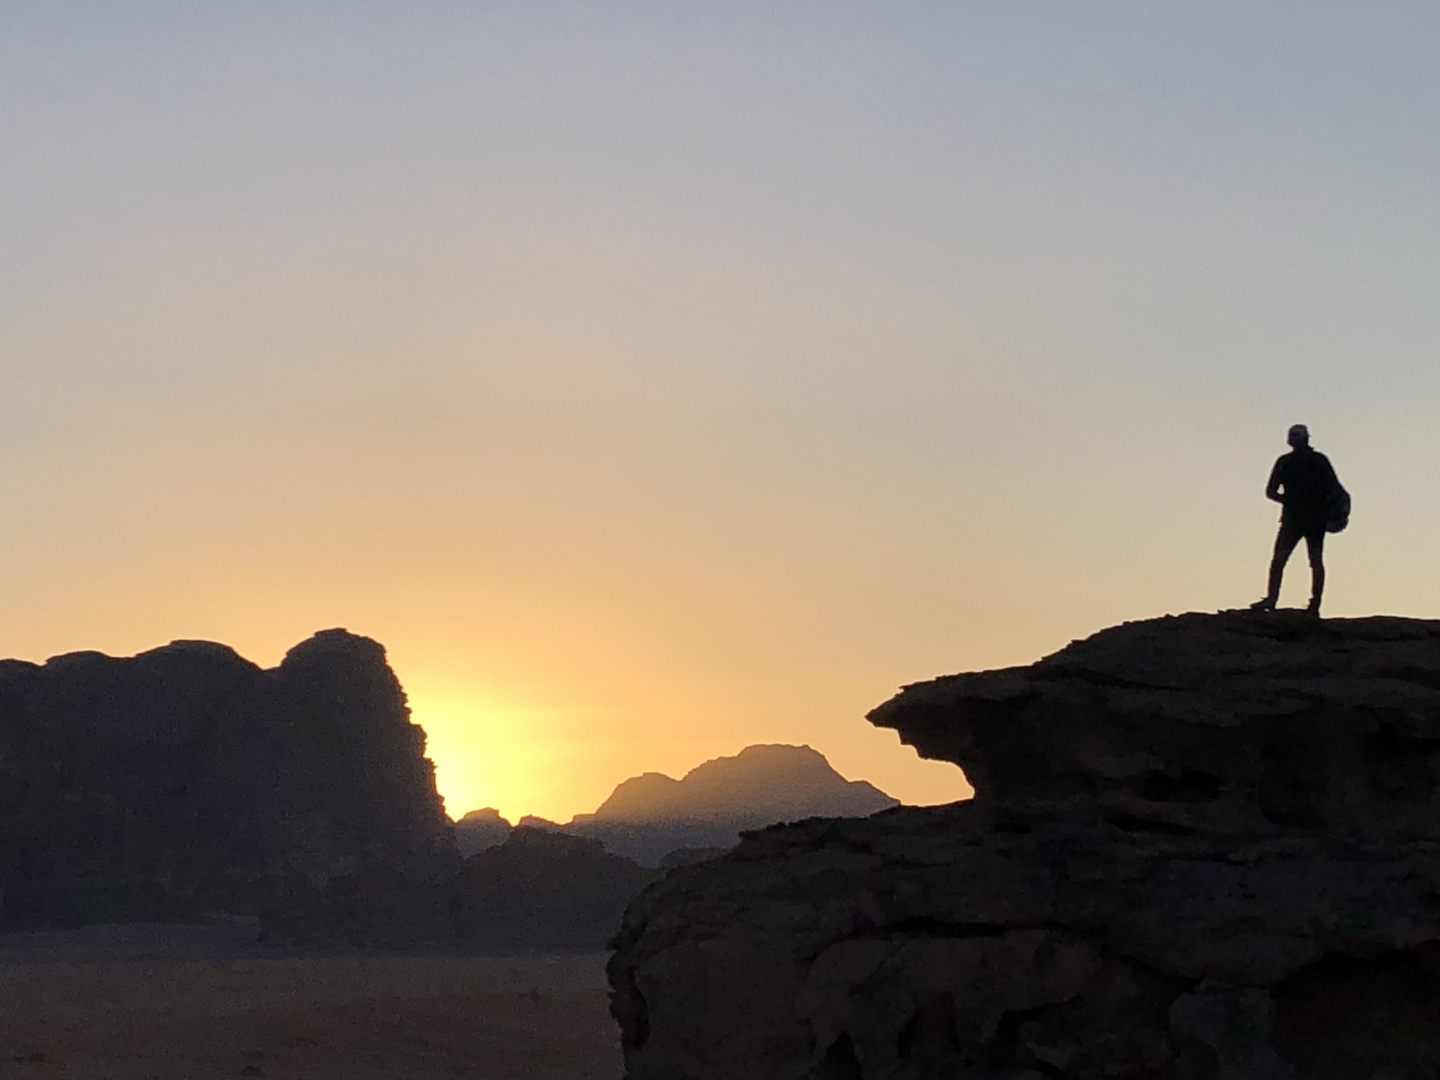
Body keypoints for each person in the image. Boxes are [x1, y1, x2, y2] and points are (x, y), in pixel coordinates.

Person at [1250, 424, 1340, 615]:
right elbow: (1271, 491)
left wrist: (1325, 510)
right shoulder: (1291, 462)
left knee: (1306, 561)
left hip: (1310, 519)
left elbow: (1334, 490)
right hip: (1298, 519)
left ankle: (1310, 603)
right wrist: (1292, 502)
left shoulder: (1315, 461)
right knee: (1287, 560)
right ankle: (1276, 599)